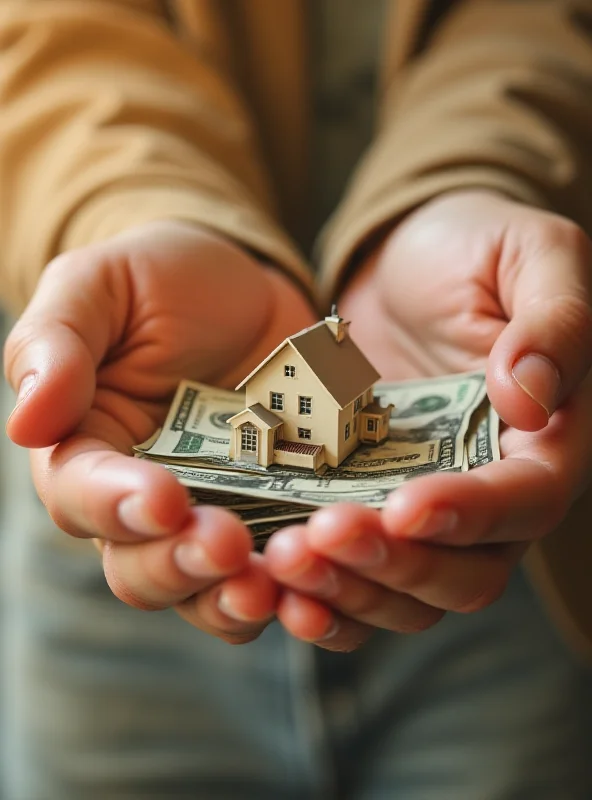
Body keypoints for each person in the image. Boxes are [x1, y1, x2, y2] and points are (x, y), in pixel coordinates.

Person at [1, 1, 592, 797]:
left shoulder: (326, 392)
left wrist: (476, 170)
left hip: (526, 583)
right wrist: (125, 203)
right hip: (112, 533)